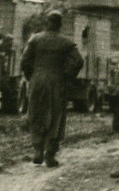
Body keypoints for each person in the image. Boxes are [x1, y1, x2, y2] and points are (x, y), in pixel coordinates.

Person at [20, 11, 84, 167]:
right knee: (55, 115)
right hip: (57, 81)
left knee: (36, 113)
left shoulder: (35, 39)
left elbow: (24, 61)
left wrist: (31, 76)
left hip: (37, 80)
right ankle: (50, 154)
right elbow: (78, 61)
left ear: (46, 23)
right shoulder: (66, 42)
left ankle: (37, 150)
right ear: (60, 24)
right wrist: (67, 76)